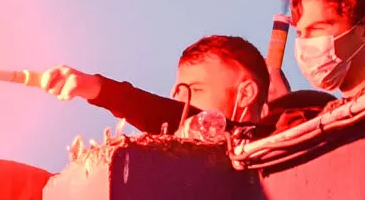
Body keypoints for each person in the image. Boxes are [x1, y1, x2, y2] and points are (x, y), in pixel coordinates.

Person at [37, 33, 279, 140]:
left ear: (245, 93)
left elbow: (176, 117)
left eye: (194, 90)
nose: (179, 105)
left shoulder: (273, 143)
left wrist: (97, 88)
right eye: (177, 94)